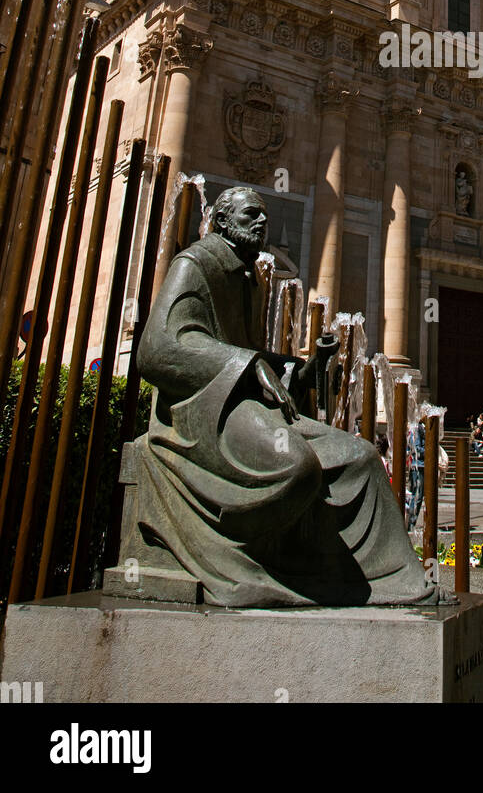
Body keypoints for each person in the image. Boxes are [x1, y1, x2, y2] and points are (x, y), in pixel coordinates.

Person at [130, 186, 440, 607]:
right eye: (251, 215)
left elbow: (257, 357)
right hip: (204, 410)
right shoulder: (195, 264)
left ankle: (393, 585)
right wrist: (244, 363)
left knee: (363, 458)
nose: (262, 223)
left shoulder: (249, 280)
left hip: (245, 402)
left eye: (264, 216)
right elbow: (156, 350)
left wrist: (304, 368)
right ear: (221, 222)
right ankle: (245, 559)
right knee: (297, 467)